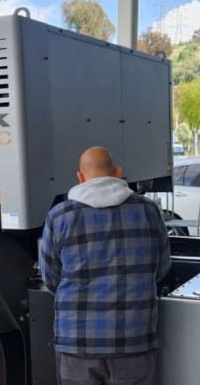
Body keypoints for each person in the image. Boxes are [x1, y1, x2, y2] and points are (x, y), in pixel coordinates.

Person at [39, 146, 172, 385]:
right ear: (118, 173)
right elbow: (161, 269)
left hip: (77, 342)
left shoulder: (59, 217)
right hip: (134, 340)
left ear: (80, 177)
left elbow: (51, 279)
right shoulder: (149, 211)